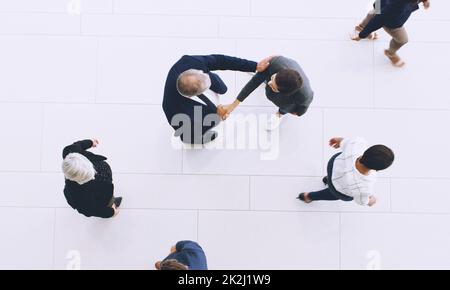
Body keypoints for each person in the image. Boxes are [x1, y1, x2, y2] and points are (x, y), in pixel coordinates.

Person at [163, 55, 269, 144]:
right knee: (206, 124)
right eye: (206, 88)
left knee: (222, 88)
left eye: (205, 74)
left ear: (196, 71)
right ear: (194, 95)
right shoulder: (172, 107)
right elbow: (185, 132)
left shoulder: (190, 61)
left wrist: (254, 66)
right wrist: (216, 115)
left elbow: (221, 61)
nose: (208, 76)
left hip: (198, 86)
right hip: (197, 117)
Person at [221, 56, 314, 131]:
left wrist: (289, 111)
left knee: (288, 107)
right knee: (261, 77)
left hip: (289, 100)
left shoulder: (305, 96)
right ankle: (268, 76)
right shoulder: (276, 63)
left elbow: (299, 113)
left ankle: (278, 115)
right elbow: (253, 83)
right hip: (281, 65)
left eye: (273, 87)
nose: (269, 84)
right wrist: (233, 105)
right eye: (272, 78)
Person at [298, 137, 394, 206]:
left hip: (334, 166)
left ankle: (328, 179)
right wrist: (370, 201)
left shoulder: (357, 143)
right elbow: (361, 201)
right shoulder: (364, 186)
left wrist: (338, 141)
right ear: (376, 169)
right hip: (339, 189)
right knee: (336, 194)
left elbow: (343, 141)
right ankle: (309, 196)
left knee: (336, 175)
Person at [351, 0, 431, 67]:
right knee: (403, 40)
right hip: (391, 20)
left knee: (376, 11)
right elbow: (379, 19)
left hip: (381, 3)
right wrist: (362, 35)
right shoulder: (398, 5)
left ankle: (361, 26)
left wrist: (424, 1)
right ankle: (390, 53)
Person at [62, 139, 122, 218]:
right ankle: (111, 203)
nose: (94, 174)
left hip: (103, 175)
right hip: (102, 193)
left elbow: (78, 145)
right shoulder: (77, 195)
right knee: (107, 200)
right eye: (88, 176)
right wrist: (111, 212)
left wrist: (90, 142)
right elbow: (90, 210)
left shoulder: (70, 153)